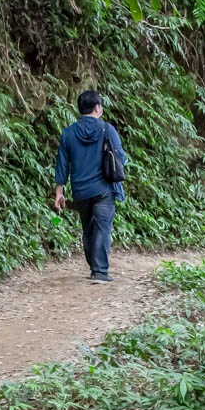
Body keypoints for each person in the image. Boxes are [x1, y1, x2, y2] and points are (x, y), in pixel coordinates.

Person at [53, 90, 126, 283]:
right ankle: (100, 272)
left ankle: (95, 268)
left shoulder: (68, 133)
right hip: (103, 189)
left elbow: (62, 164)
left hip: (80, 191)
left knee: (88, 228)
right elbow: (121, 157)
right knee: (102, 228)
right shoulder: (107, 129)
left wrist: (59, 192)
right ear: (97, 107)